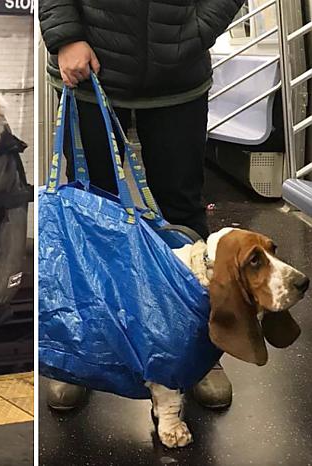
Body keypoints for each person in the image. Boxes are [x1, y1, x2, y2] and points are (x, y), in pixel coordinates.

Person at [39, 0, 245, 410]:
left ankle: (200, 351)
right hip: (87, 68)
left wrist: (196, 30)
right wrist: (66, 35)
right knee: (91, 217)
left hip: (178, 75)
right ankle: (85, 351)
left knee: (182, 211)